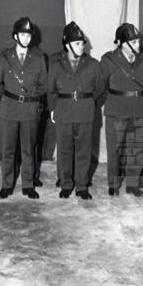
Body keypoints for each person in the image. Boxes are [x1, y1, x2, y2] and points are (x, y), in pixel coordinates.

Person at [0, 17, 47, 199]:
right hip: (9, 110)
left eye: (28, 35)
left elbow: (44, 86)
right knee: (8, 150)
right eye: (22, 35)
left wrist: (31, 96)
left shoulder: (38, 58)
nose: (26, 39)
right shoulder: (5, 57)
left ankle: (28, 185)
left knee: (28, 149)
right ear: (15, 36)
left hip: (29, 110)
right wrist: (9, 94)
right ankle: (7, 185)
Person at [48, 22, 104, 200]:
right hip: (63, 111)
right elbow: (51, 90)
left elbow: (100, 88)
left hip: (85, 112)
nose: (81, 46)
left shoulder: (93, 64)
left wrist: (88, 102)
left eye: (82, 43)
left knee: (83, 151)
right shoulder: (56, 64)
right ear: (67, 44)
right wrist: (52, 109)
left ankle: (81, 186)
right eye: (77, 43)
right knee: (64, 150)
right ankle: (66, 184)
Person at [101, 23, 143, 197]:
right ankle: (113, 184)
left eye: (138, 41)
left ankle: (133, 184)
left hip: (138, 109)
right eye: (134, 42)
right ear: (122, 43)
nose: (139, 44)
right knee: (114, 150)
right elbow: (101, 86)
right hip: (117, 110)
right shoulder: (108, 60)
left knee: (138, 150)